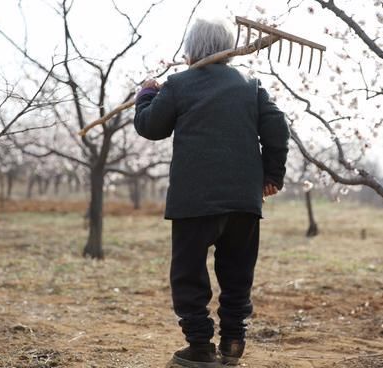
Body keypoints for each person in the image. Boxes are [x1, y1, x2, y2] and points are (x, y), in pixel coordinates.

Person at [134, 17, 290, 367]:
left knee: (189, 274)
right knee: (237, 273)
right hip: (243, 202)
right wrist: (272, 175)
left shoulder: (178, 84)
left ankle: (201, 346)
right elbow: (278, 126)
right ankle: (233, 342)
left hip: (195, 201)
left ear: (193, 48)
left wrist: (146, 94)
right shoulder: (250, 85)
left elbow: (150, 126)